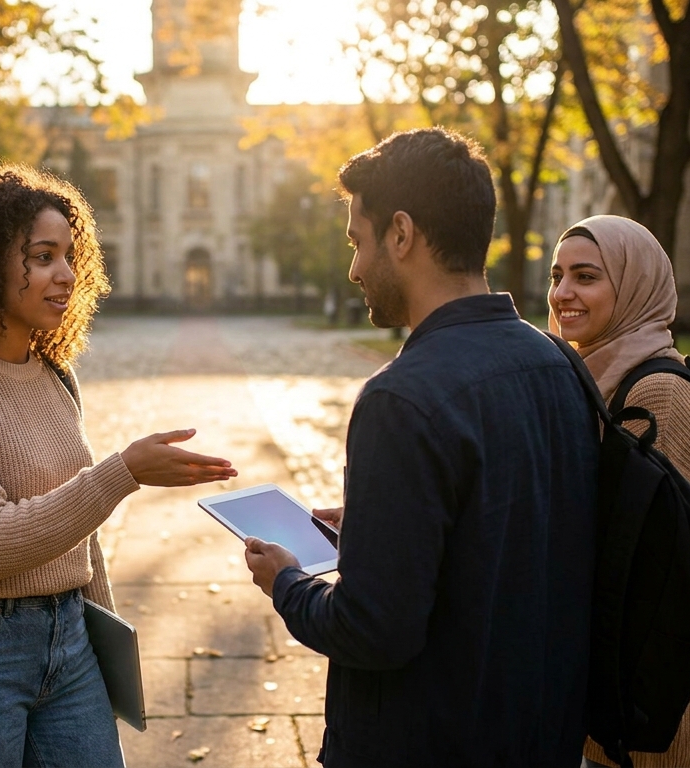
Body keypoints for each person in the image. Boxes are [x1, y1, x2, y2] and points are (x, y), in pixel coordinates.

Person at [242, 128, 598, 767]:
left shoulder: (400, 400)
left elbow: (373, 628)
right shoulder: (559, 364)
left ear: (401, 235)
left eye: (357, 240)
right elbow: (515, 529)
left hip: (427, 738)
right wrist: (383, 525)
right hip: (540, 733)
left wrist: (287, 582)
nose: (352, 267)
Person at [0, 164, 238, 768]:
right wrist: (121, 471)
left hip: (69, 639)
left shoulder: (53, 375)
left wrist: (105, 639)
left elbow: (80, 533)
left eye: (70, 256)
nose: (67, 275)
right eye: (43, 257)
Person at [548, 214, 690, 768]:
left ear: (634, 286)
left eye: (586, 276)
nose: (563, 293)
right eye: (557, 275)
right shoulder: (593, 378)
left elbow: (660, 575)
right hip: (599, 691)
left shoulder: (657, 395)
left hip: (645, 710)